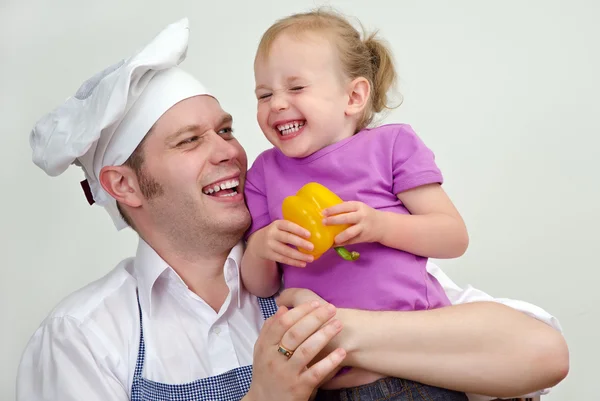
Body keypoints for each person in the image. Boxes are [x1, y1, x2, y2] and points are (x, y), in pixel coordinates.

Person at [16, 18, 568, 401]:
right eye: (190, 142)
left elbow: (539, 351)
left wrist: (340, 330)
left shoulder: (328, 260)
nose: (230, 152)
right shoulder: (83, 338)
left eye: (226, 130)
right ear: (124, 185)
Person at [240, 9, 462, 399]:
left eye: (295, 88)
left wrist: (380, 226)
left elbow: (452, 237)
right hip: (322, 385)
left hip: (416, 373)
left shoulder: (390, 146)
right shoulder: (263, 173)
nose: (276, 104)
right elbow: (261, 284)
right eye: (264, 94)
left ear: (354, 96)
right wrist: (261, 248)